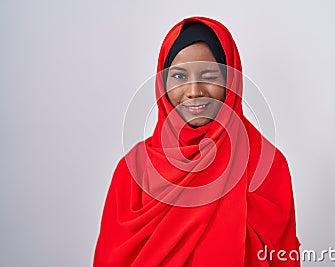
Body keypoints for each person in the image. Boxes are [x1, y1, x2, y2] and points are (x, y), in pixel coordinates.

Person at [94, 16, 300, 266]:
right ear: (162, 82)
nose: (194, 91)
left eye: (209, 75)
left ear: (230, 80)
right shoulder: (133, 170)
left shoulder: (267, 166)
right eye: (179, 76)